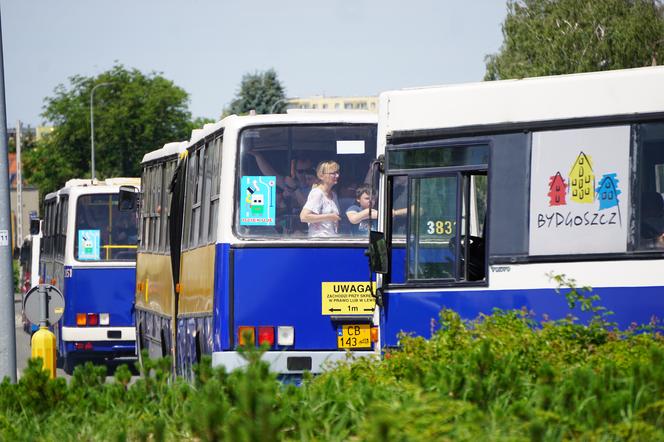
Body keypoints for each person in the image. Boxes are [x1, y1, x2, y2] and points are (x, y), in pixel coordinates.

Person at [300, 161, 341, 237]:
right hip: (319, 242)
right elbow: (304, 217)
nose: (337, 175)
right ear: (321, 176)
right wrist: (329, 216)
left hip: (332, 240)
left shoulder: (334, 195)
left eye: (337, 172)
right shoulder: (317, 193)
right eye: (333, 173)